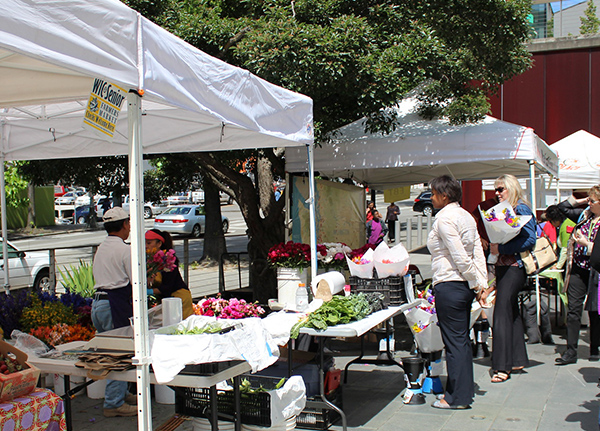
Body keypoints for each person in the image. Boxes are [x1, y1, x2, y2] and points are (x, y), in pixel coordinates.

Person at [426, 175, 487, 409]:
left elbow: (462, 256)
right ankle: (462, 392)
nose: (431, 198)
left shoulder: (445, 219)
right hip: (461, 287)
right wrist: (479, 282)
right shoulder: (466, 216)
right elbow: (477, 253)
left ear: (444, 196)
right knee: (460, 341)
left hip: (451, 284)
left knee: (455, 344)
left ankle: (457, 397)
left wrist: (477, 282)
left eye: (433, 194)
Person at [484, 174, 536, 383]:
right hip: (503, 266)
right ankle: (516, 359)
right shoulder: (505, 210)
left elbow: (530, 239)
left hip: (515, 267)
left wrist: (501, 247)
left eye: (501, 189)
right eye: (496, 189)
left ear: (512, 188)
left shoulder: (520, 208)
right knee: (511, 311)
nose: (497, 193)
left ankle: (502, 366)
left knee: (501, 313)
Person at [91, 207, 137, 417]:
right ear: (125, 224)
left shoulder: (101, 247)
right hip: (114, 305)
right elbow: (133, 279)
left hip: (98, 304)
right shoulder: (124, 249)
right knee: (119, 354)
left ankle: (121, 393)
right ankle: (113, 403)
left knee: (111, 353)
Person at [555, 186, 600, 365]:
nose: (588, 203)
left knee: (596, 310)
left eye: (592, 201)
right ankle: (571, 350)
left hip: (597, 270)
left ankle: (595, 347)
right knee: (573, 309)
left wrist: (586, 243)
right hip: (578, 268)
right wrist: (583, 200)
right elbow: (562, 207)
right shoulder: (584, 215)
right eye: (588, 200)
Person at [145, 229, 194, 319]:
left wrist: (150, 291)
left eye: (149, 243)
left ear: (159, 244)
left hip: (179, 298)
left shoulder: (168, 260)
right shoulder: (149, 261)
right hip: (166, 301)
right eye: (144, 243)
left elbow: (168, 286)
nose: (145, 246)